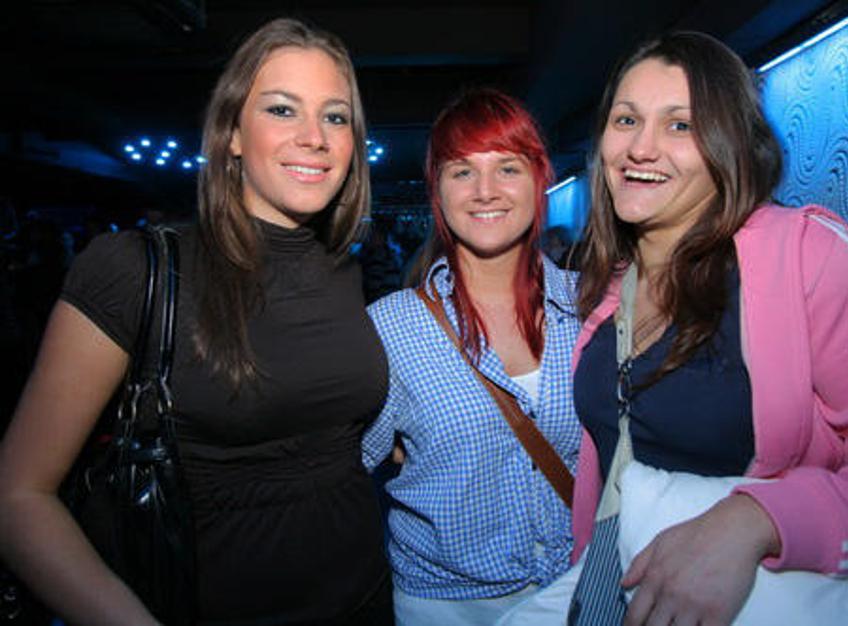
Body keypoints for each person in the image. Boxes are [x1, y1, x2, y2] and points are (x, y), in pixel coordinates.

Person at [0, 18, 392, 625]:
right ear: (231, 133)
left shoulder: (343, 269)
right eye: (282, 110)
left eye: (335, 117)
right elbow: (18, 497)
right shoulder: (134, 269)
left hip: (366, 602)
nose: (315, 137)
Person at [569, 31, 848, 625]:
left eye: (680, 125)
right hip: (620, 594)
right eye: (626, 119)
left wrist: (759, 518)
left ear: (731, 143)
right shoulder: (612, 285)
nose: (641, 147)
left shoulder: (811, 259)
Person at [362, 88, 582, 624]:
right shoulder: (393, 327)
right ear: (437, 190)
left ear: (539, 179)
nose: (485, 191)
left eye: (507, 168)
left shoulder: (591, 308)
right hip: (447, 604)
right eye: (462, 171)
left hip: (579, 586)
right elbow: (340, 466)